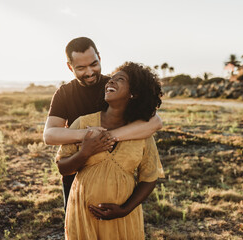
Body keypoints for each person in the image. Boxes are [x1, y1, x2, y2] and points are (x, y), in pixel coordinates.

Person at [43, 37, 163, 211]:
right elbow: (49, 135)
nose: (90, 72)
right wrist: (89, 136)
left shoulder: (114, 85)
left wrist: (107, 137)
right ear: (70, 66)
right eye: (81, 68)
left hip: (118, 182)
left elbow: (155, 122)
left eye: (94, 64)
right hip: (76, 178)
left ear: (99, 57)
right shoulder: (64, 94)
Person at [56, 61, 165, 239]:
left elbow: (149, 178)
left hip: (123, 219)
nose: (110, 82)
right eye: (111, 79)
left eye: (119, 79)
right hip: (83, 215)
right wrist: (85, 152)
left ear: (134, 93)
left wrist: (124, 209)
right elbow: (63, 168)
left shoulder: (143, 132)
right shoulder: (83, 123)